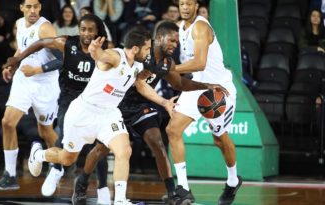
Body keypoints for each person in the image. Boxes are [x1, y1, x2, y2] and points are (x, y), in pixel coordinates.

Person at [72, 22, 229, 205]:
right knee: (101, 149)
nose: (175, 45)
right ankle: (82, 182)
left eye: (177, 42)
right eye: (172, 40)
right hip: (118, 105)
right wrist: (97, 53)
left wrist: (206, 86)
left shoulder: (167, 62)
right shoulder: (141, 52)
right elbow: (131, 77)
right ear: (160, 38)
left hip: (142, 106)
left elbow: (179, 84)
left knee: (157, 143)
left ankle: (172, 193)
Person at [27, 27, 177, 205]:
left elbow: (141, 85)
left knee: (124, 150)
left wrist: (164, 102)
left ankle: (120, 200)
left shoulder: (137, 65)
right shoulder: (116, 56)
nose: (148, 53)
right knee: (67, 159)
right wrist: (94, 50)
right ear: (135, 49)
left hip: (109, 114)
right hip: (84, 112)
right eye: (146, 49)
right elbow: (100, 55)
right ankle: (39, 155)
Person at [3, 14, 112, 202]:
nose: (86, 33)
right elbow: (42, 42)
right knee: (64, 133)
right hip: (69, 97)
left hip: (94, 99)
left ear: (97, 31)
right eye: (83, 29)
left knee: (102, 145)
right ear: (78, 30)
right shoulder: (67, 43)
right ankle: (55, 170)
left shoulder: (105, 49)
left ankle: (103, 191)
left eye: (90, 30)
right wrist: (19, 58)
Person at [165, 0, 242, 204]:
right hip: (198, 85)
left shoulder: (200, 27)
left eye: (189, 3)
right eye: (182, 3)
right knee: (173, 130)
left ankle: (233, 181)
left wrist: (169, 69)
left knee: (219, 139)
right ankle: (183, 189)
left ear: (197, 5)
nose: (185, 7)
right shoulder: (180, 27)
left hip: (217, 89)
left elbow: (199, 63)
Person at [0, 0, 59, 192]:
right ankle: (9, 175)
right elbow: (21, 49)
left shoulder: (45, 29)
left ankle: (58, 165)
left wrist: (37, 69)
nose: (33, 10)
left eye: (36, 6)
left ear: (40, 8)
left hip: (45, 85)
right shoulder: (19, 24)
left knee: (46, 131)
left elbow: (63, 59)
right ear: (21, 8)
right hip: (24, 81)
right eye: (29, 6)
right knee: (7, 122)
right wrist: (12, 65)